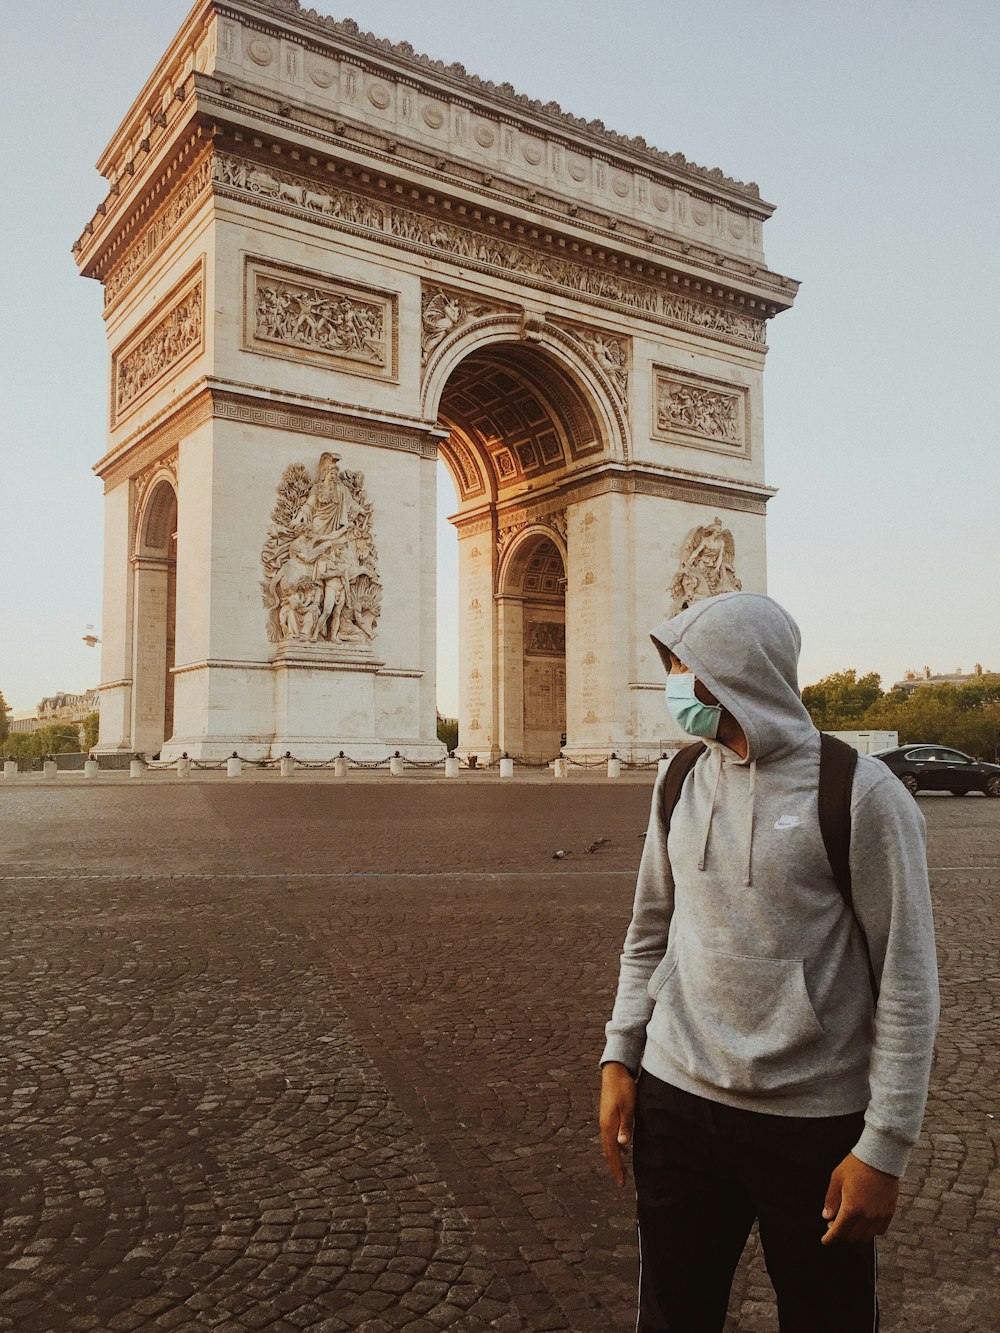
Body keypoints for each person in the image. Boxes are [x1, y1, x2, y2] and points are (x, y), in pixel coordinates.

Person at [599, 591, 939, 1332]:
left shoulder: (863, 793)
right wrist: (619, 1056)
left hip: (812, 1125)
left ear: (740, 671)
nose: (676, 681)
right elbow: (648, 928)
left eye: (688, 663)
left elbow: (910, 980)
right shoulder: (678, 778)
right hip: (677, 1103)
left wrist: (884, 1147)